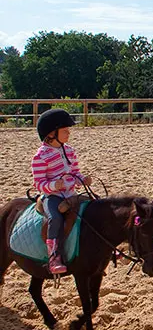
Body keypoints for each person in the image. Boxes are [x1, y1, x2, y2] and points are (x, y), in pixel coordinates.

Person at [32, 109, 91, 275]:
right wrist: (53, 186)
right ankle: (54, 256)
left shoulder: (69, 150)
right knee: (55, 218)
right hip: (53, 196)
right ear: (51, 133)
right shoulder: (40, 156)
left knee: (95, 205)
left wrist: (82, 179)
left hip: (72, 194)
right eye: (65, 130)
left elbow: (75, 173)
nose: (69, 133)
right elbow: (38, 184)